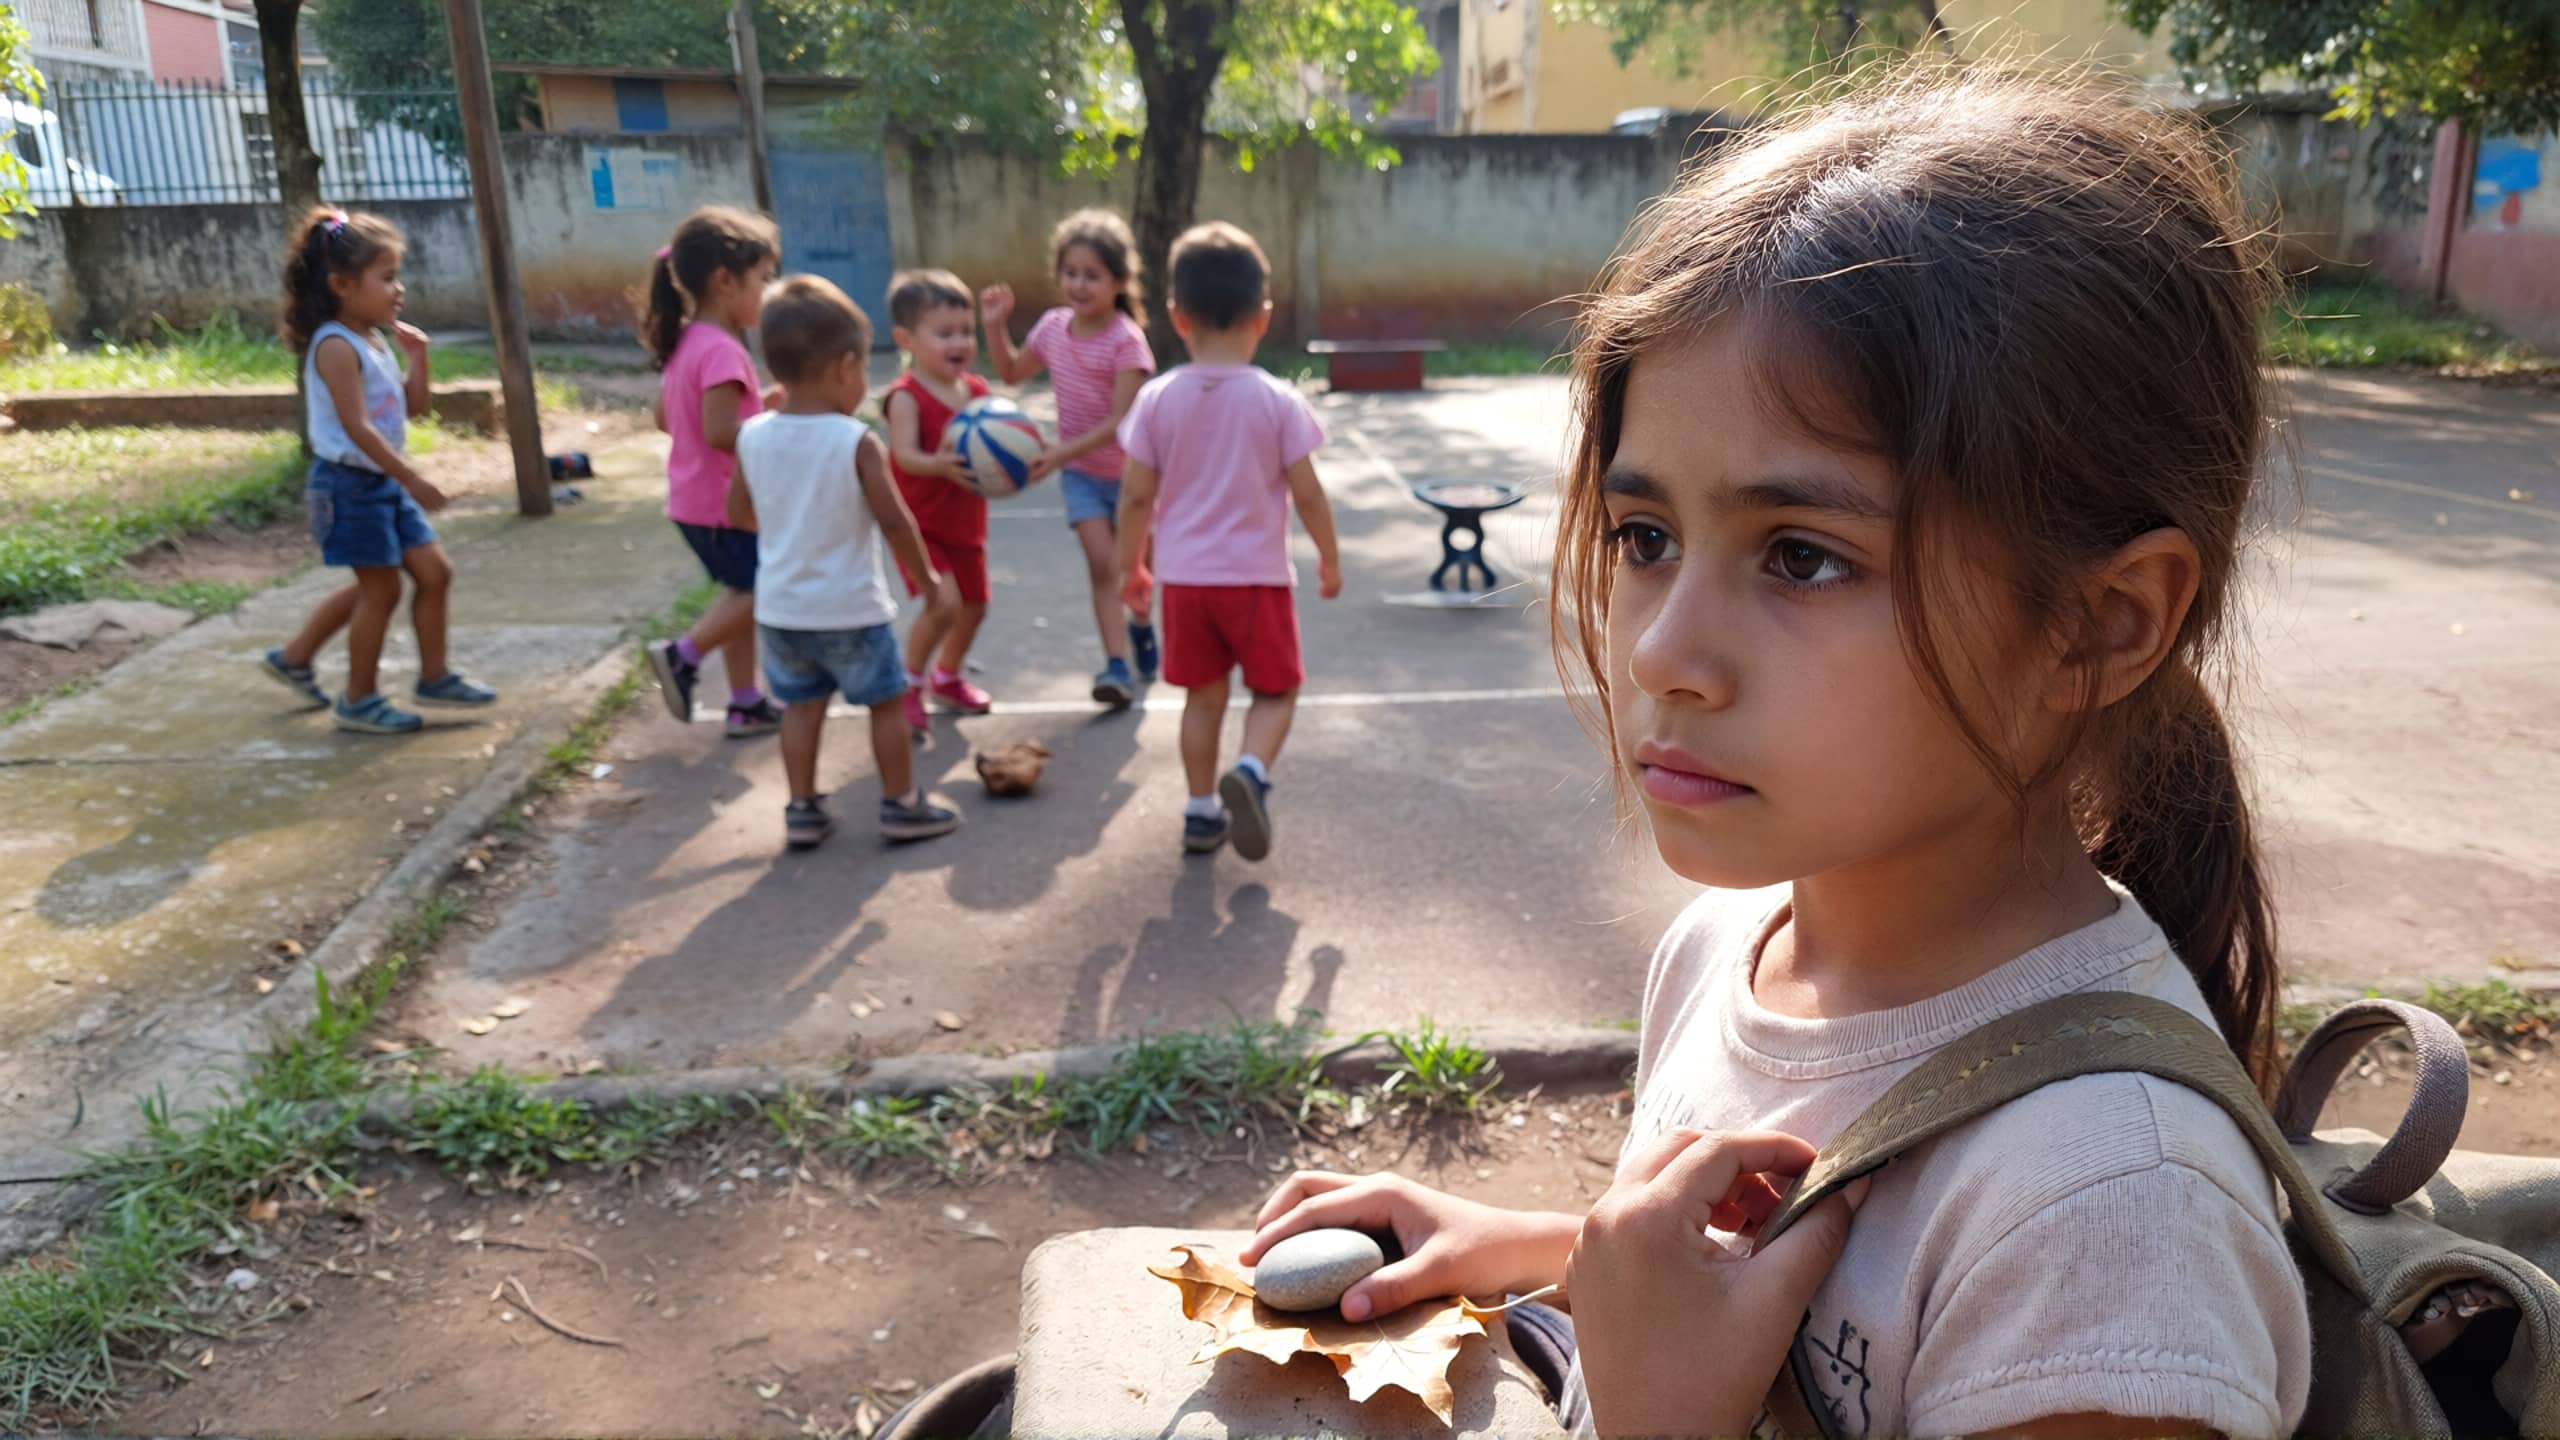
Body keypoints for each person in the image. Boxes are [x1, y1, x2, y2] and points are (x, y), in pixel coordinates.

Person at [1244, 72, 2313, 1439]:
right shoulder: (1724, 948)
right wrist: (1549, 1247)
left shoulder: (2109, 1217)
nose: (1662, 654)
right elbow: (1811, 1285)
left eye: (1802, 557)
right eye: (1646, 540)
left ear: (2097, 627)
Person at [1115, 223, 1340, 861]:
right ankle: (1251, 771)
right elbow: (1309, 492)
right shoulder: (1277, 400)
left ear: (1176, 317)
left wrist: (1129, 567)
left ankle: (1198, 811)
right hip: (1257, 580)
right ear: (1262, 318)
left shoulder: (1156, 399)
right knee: (1276, 692)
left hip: (1186, 581)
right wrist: (1329, 555)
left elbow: (1134, 496)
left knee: (1202, 697)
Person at [728, 274, 962, 852]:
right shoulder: (855, 440)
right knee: (884, 705)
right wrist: (928, 581)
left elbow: (738, 512)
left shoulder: (752, 434)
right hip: (851, 610)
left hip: (782, 611)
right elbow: (894, 520)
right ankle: (902, 805)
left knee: (801, 710)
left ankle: (802, 809)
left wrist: (787, 530)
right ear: (841, 368)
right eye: (861, 370)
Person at [262, 207, 495, 734]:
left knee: (433, 573)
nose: (399, 289)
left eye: (397, 276)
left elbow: (411, 410)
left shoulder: (373, 338)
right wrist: (410, 476)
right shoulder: (335, 346)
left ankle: (428, 675)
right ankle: (358, 699)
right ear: (341, 284)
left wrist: (419, 359)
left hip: (380, 482)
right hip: (349, 486)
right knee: (381, 589)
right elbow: (357, 428)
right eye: (386, 277)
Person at [979, 208, 1158, 708]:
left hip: (1135, 477)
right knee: (1103, 567)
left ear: (1120, 282)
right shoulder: (1054, 328)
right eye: (1071, 273)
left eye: (1092, 275)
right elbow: (1013, 371)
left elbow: (1122, 423)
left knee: (1137, 571)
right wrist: (994, 327)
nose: (1079, 285)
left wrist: (1056, 454)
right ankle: (1117, 665)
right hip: (1082, 474)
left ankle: (1141, 625)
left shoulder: (1127, 342)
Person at [640, 205, 786, 739]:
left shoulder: (688, 343)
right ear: (726, 281)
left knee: (740, 592)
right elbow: (722, 432)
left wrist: (753, 406)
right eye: (763, 280)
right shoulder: (724, 351)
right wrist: (772, 421)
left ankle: (745, 701)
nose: (768, 293)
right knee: (762, 590)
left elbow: (666, 417)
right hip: (724, 505)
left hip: (692, 502)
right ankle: (683, 655)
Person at [880, 268, 994, 735]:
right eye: (944, 333)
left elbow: (998, 441)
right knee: (943, 603)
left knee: (975, 606)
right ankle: (908, 684)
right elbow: (904, 457)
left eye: (967, 331)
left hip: (966, 521)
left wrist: (1022, 452)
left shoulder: (978, 391)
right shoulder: (905, 397)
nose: (960, 342)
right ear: (906, 338)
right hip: (920, 524)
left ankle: (946, 676)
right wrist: (941, 465)